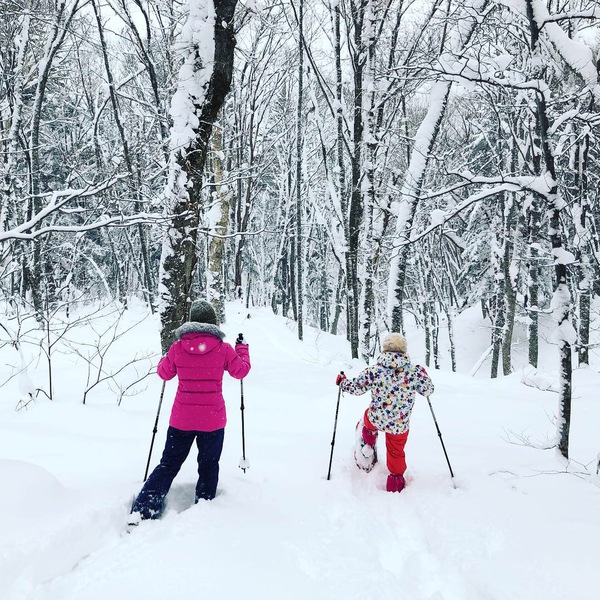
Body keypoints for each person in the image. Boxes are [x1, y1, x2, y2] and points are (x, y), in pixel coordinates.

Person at [130, 300, 251, 522]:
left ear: (191, 321)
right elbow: (240, 371)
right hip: (212, 422)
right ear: (213, 322)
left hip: (181, 421)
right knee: (208, 465)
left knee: (168, 464)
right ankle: (203, 509)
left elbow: (164, 374)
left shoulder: (178, 347)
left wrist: (167, 356)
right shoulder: (223, 349)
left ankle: (143, 510)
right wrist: (242, 350)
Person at [336, 332, 433, 493]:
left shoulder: (374, 371)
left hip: (376, 418)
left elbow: (356, 388)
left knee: (365, 422)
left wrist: (343, 382)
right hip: (399, 425)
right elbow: (428, 390)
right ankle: (395, 484)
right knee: (396, 453)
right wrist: (423, 374)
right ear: (404, 350)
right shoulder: (414, 372)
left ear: (384, 350)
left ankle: (368, 446)